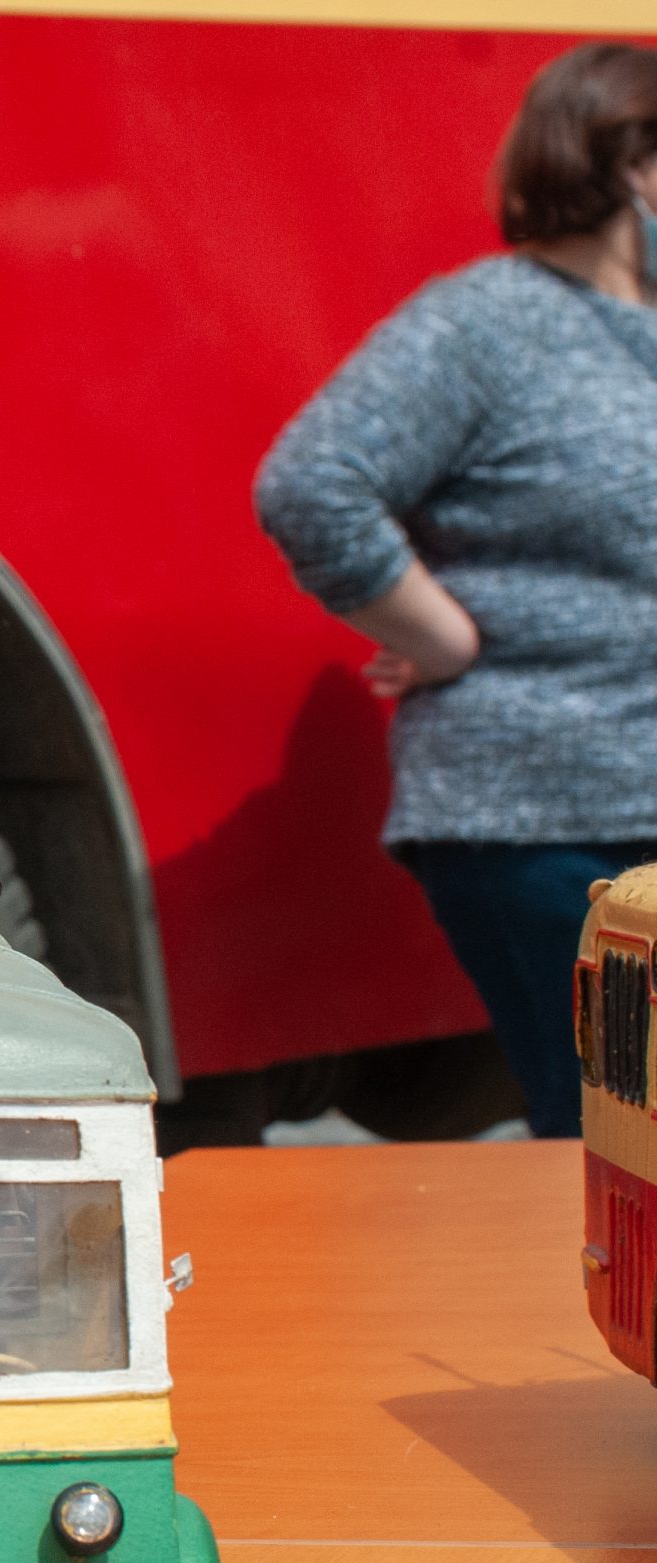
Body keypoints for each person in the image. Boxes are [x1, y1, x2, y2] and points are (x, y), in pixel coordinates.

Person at [255, 41, 657, 1141]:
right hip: (546, 828)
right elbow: (310, 480)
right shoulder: (484, 325)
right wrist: (443, 639)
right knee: (619, 1150)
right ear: (634, 165)